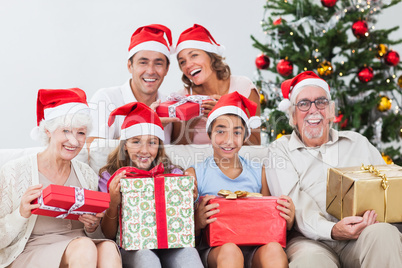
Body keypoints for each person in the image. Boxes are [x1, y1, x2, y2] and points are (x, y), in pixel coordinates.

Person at [266, 71, 402, 267]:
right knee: (311, 261)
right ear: (293, 116)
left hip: (362, 233)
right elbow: (295, 207)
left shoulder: (358, 143)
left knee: (384, 233)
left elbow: (386, 188)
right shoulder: (280, 151)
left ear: (331, 111)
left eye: (320, 102)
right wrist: (332, 230)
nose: (313, 110)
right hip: (309, 240)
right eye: (304, 104)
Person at [0, 88, 121, 267]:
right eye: (66, 131)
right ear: (48, 131)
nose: (74, 141)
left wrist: (91, 227)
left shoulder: (86, 172)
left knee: (109, 249)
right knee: (84, 246)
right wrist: (21, 213)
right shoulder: (14, 171)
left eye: (80, 133)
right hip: (32, 249)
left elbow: (96, 235)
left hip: (79, 244)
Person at [186, 91, 294, 268]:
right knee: (230, 251)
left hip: (255, 247)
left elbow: (268, 220)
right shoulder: (194, 174)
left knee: (274, 250)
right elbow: (183, 233)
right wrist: (198, 222)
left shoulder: (260, 172)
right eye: (221, 131)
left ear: (244, 137)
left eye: (236, 133)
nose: (228, 140)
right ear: (209, 134)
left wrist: (287, 221)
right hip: (216, 250)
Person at [99, 102, 203, 268]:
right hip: (133, 248)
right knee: (147, 258)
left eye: (152, 142)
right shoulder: (110, 177)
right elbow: (108, 235)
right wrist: (113, 202)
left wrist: (191, 201)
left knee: (190, 254)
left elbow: (189, 230)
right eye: (136, 141)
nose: (145, 150)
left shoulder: (174, 173)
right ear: (124, 145)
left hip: (172, 245)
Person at [88, 24, 179, 145]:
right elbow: (91, 150)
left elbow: (174, 153)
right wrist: (146, 127)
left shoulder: (169, 105)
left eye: (158, 63)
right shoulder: (106, 99)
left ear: (167, 69)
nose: (151, 71)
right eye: (143, 62)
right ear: (130, 66)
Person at [171, 24, 261, 145]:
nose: (188, 65)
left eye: (194, 55)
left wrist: (225, 116)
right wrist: (189, 122)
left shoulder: (243, 88)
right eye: (182, 62)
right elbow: (176, 150)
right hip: (194, 162)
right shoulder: (181, 98)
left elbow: (255, 144)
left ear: (212, 57)